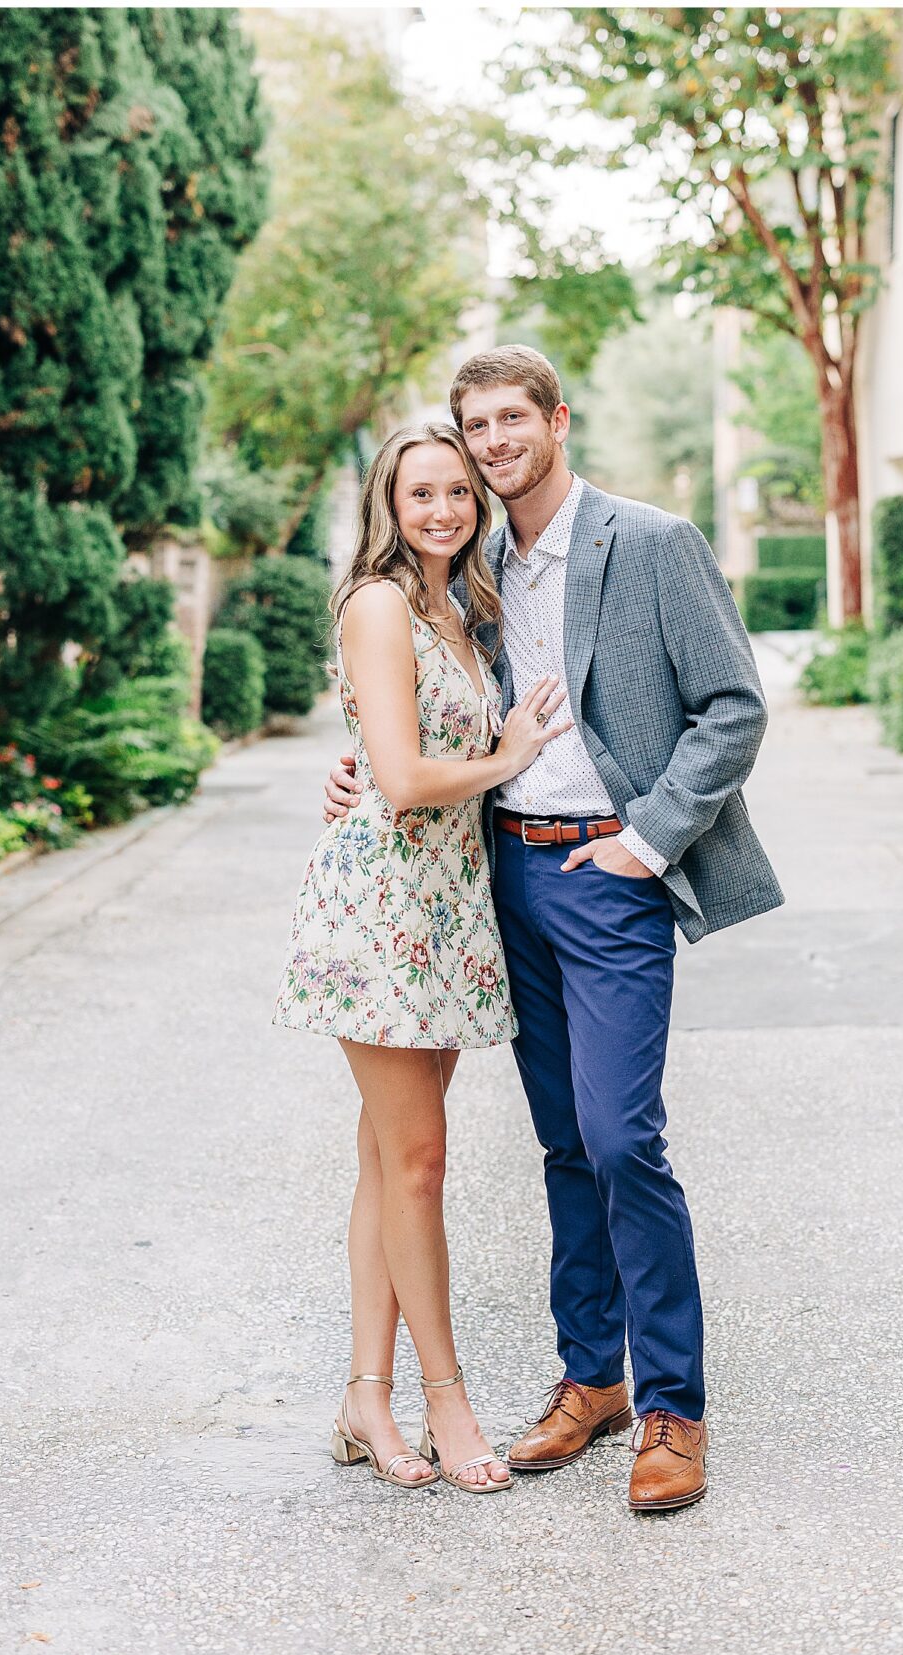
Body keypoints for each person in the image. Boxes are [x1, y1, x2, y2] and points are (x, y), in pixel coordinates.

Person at [324, 347, 783, 1513]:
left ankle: (673, 1404)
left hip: (608, 871)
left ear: (557, 420)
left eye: (510, 419)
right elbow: (417, 705)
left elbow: (733, 706)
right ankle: (594, 1381)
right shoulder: (468, 559)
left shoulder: (651, 543)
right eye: (474, 425)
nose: (490, 443)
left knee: (625, 1137)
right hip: (501, 879)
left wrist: (650, 839)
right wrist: (365, 773)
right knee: (565, 1143)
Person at [274, 418, 574, 1494]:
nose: (443, 510)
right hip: (382, 912)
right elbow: (401, 778)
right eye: (421, 496)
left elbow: (382, 748)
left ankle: (366, 1395)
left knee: (386, 1163)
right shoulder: (379, 602)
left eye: (457, 492)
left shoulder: (462, 604)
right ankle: (444, 1400)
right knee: (419, 1162)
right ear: (387, 508)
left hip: (447, 903)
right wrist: (507, 758)